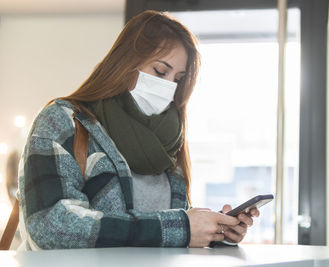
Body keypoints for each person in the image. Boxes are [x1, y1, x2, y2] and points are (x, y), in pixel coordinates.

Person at [17, 10, 259, 250]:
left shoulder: (170, 138)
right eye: (160, 71)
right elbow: (50, 226)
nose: (168, 87)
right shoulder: (63, 121)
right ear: (126, 63)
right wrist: (180, 227)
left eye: (177, 79)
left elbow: (167, 232)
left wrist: (215, 229)